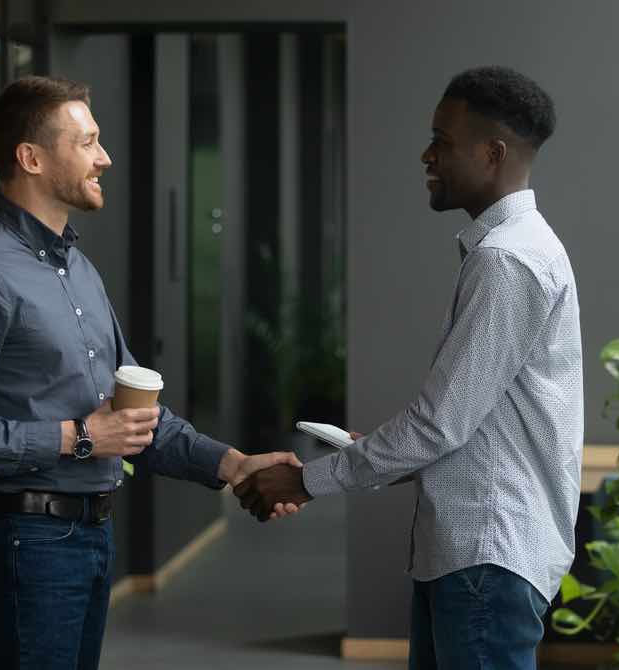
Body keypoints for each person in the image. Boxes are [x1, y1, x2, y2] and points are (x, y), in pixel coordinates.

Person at [0, 76, 300, 670]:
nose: (105, 157)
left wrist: (232, 464)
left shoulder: (79, 271)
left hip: (89, 539)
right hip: (24, 545)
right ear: (31, 158)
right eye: (87, 142)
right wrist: (78, 438)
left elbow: (132, 418)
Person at [235, 65, 583, 670]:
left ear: (492, 153)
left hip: (485, 556)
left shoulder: (508, 262)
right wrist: (381, 457)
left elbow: (439, 425)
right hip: (475, 556)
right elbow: (469, 425)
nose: (427, 155)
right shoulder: (513, 250)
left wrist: (306, 480)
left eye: (442, 141)